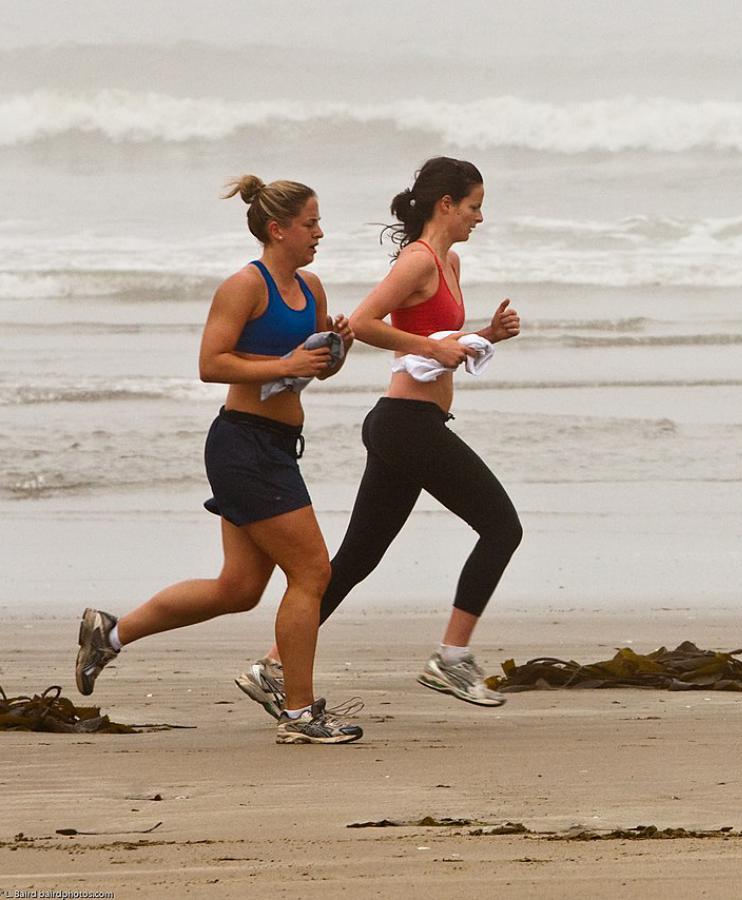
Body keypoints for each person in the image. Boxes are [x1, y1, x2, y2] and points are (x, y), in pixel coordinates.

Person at [74, 175, 363, 745]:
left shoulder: (313, 289)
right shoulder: (244, 286)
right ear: (277, 229)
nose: (320, 233)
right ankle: (300, 713)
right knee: (312, 572)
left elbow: (310, 371)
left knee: (238, 588)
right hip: (242, 446)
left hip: (276, 446)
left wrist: (335, 353)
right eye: (310, 223)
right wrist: (284, 365)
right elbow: (211, 363)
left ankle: (109, 635)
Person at [235, 157, 522, 716]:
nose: (479, 218)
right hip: (405, 425)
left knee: (359, 555)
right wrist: (432, 349)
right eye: (473, 206)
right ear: (446, 205)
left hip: (408, 426)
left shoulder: (450, 262)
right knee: (502, 527)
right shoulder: (418, 261)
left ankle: (271, 665)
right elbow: (364, 322)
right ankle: (452, 657)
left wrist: (485, 335)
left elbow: (433, 335)